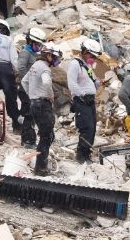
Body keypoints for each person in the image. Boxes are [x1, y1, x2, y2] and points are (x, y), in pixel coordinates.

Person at [21, 43, 61, 175]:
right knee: (46, 136)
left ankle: (41, 165)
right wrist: (50, 95)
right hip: (43, 105)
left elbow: (24, 81)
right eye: (54, 57)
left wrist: (32, 95)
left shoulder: (35, 65)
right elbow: (46, 82)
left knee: (46, 134)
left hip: (34, 104)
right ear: (48, 55)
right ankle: (41, 168)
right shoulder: (44, 68)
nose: (56, 60)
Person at [67, 38, 103, 163]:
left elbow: (93, 83)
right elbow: (72, 84)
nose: (93, 58)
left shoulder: (87, 66)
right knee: (86, 128)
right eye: (92, 55)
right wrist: (83, 94)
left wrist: (98, 83)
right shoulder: (75, 64)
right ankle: (81, 155)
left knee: (92, 128)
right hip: (81, 101)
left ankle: (87, 153)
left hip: (89, 101)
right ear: (85, 52)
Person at [17, 28, 47, 148]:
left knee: (30, 113)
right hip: (26, 89)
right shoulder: (25, 53)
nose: (39, 46)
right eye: (37, 44)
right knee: (28, 114)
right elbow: (21, 68)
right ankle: (28, 140)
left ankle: (26, 139)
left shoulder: (33, 54)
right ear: (31, 42)